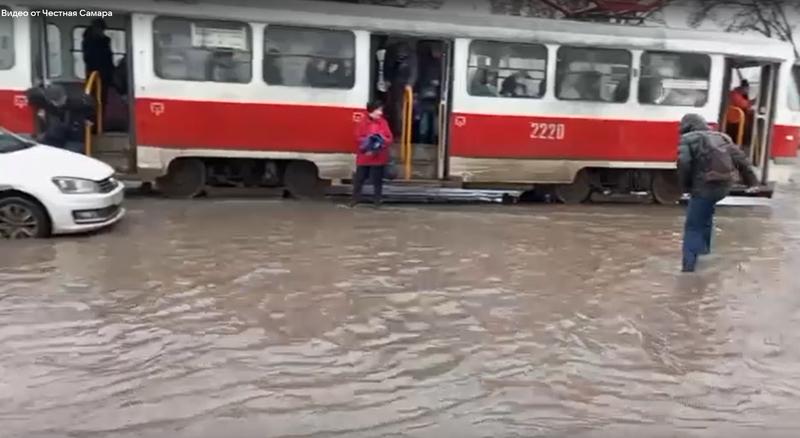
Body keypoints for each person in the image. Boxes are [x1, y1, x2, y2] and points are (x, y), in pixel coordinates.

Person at [677, 113, 758, 272]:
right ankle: (704, 253)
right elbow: (741, 160)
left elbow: (683, 164)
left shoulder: (687, 139)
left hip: (703, 187)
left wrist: (685, 187)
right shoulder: (722, 137)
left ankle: (688, 268)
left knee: (693, 227)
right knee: (706, 216)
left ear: (687, 126)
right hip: (723, 186)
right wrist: (752, 182)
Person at [351, 100, 394, 207]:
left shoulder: (383, 122)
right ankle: (355, 200)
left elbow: (389, 138)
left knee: (377, 181)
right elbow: (357, 137)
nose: (380, 113)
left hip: (378, 157)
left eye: (381, 110)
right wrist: (369, 142)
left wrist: (381, 141)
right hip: (365, 156)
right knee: (359, 179)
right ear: (372, 111)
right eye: (378, 110)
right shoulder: (362, 122)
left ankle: (377, 201)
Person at [82, 19, 114, 111]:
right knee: (96, 100)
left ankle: (99, 118)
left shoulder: (100, 41)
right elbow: (95, 59)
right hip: (97, 75)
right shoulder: (91, 42)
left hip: (102, 75)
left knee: (101, 100)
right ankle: (95, 118)